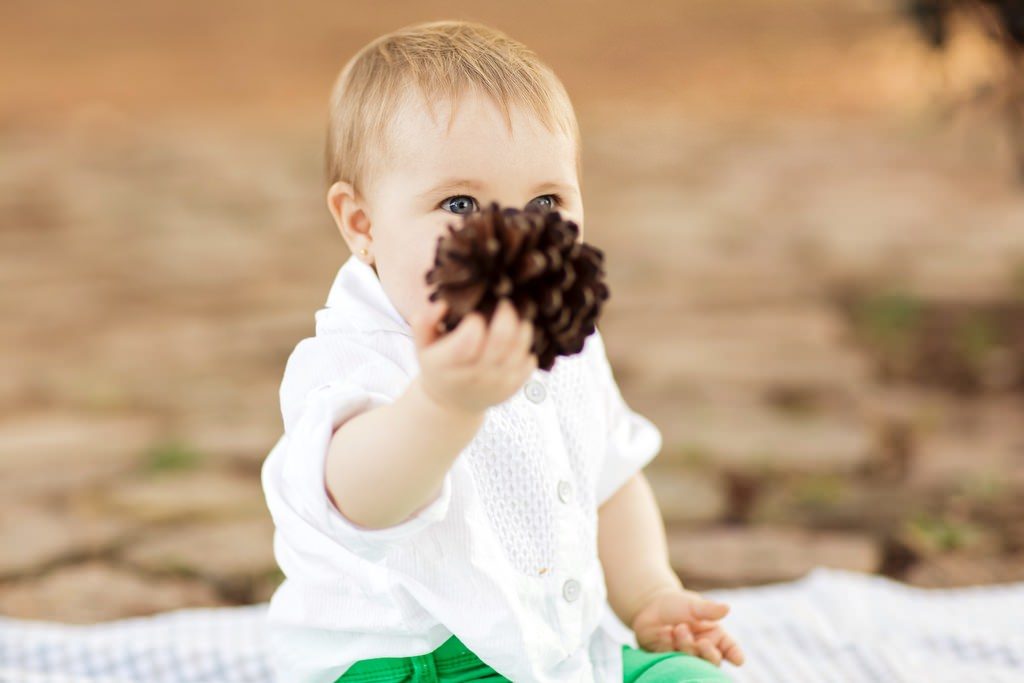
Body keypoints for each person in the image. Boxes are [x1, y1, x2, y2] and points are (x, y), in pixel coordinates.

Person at [260, 19, 745, 683]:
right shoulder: (353, 355)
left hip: (555, 653)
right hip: (405, 662)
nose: (513, 231)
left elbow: (609, 479)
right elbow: (358, 497)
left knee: (698, 680)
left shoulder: (565, 342)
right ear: (362, 223)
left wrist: (651, 594)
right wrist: (441, 404)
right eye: (459, 201)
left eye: (546, 199)